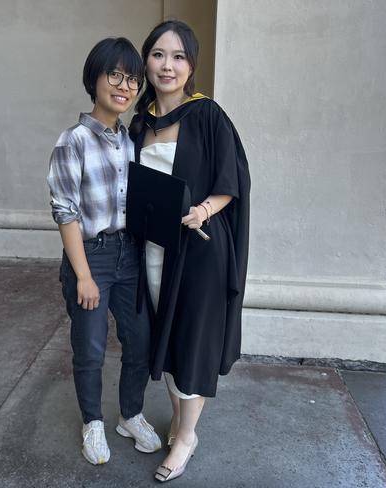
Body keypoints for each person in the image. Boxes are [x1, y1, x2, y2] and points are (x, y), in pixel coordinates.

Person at [129, 20, 250, 482]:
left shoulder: (207, 116)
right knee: (168, 335)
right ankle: (179, 420)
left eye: (178, 56)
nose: (167, 65)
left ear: (191, 65)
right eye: (158, 54)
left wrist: (203, 209)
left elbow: (232, 180)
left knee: (192, 341)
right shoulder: (140, 122)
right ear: (146, 60)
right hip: (154, 251)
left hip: (199, 251)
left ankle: (185, 438)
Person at [46, 37, 162, 466]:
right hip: (90, 256)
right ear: (94, 78)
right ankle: (92, 422)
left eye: (132, 79)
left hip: (128, 254)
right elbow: (65, 211)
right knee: (91, 348)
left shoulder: (131, 140)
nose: (125, 86)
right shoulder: (73, 140)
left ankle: (129, 414)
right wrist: (84, 276)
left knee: (140, 342)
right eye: (115, 75)